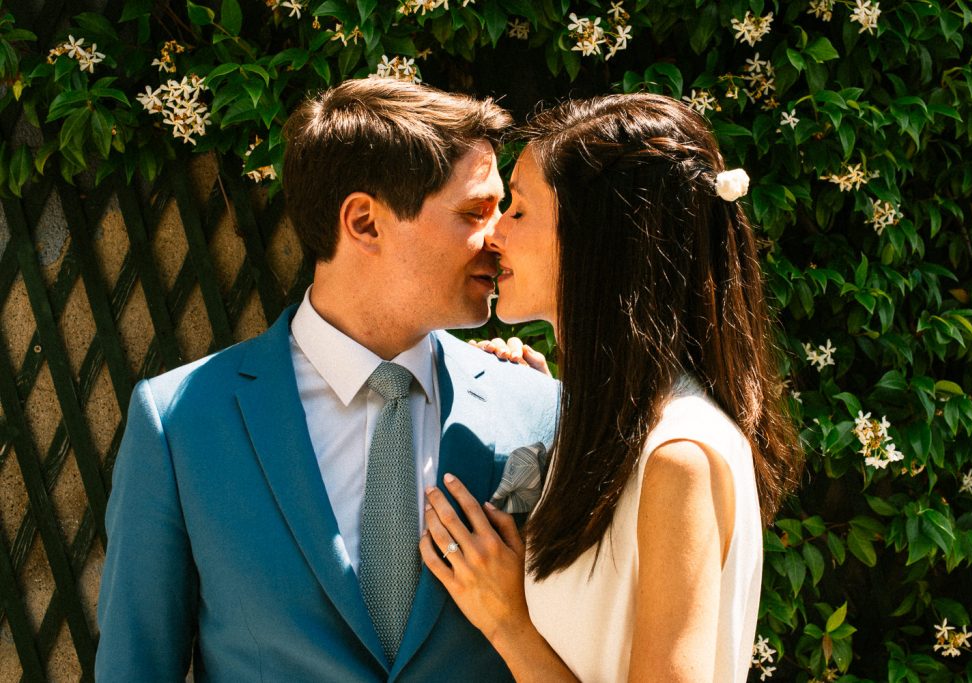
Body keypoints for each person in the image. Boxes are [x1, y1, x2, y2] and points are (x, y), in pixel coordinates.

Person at [95, 79, 559, 681]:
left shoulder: (535, 405)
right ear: (364, 223)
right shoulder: (181, 422)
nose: (499, 237)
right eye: (475, 212)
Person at [419, 93, 804, 682]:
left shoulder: (680, 459)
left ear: (598, 239)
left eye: (518, 211)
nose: (493, 234)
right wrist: (563, 415)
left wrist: (506, 622)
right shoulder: (631, 435)